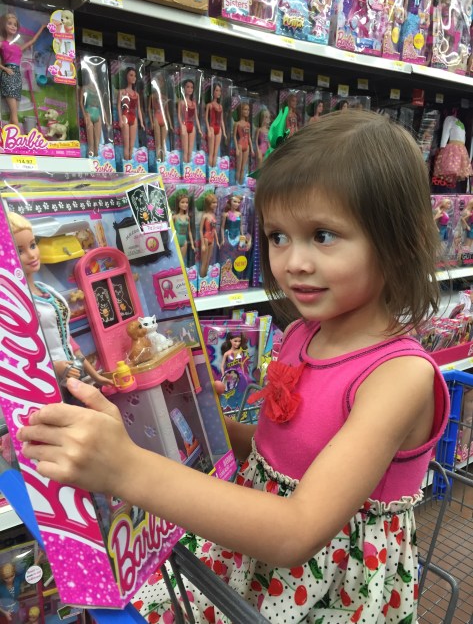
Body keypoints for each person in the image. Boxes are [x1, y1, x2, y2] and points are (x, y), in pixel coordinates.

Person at [19, 111, 449, 623]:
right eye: (278, 236)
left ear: (396, 241)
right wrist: (199, 424)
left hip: (329, 589)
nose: (293, 262)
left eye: (322, 235)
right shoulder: (303, 333)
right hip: (250, 558)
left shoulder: (399, 376)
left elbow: (296, 530)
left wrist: (125, 468)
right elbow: (280, 453)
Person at [7, 212, 112, 388]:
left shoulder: (46, 290)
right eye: (20, 251)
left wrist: (95, 376)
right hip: (46, 384)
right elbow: (17, 356)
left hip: (72, 377)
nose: (32, 255)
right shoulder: (14, 303)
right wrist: (54, 367)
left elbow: (66, 340)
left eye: (32, 245)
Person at [0, 13, 47, 126]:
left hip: (17, 76)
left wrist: (42, 27)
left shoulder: (18, 47)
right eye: (9, 24)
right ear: (4, 26)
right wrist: (5, 69)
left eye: (15, 25)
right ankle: (18, 135)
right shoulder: (2, 43)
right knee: (14, 115)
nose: (13, 26)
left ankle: (9, 134)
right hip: (8, 75)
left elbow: (33, 41)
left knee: (13, 114)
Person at [117, 67, 144, 162]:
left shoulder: (137, 94)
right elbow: (118, 106)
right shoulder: (122, 92)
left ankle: (130, 165)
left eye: (135, 76)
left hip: (134, 118)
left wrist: (141, 122)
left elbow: (138, 109)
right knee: (126, 145)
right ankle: (126, 165)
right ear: (126, 76)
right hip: (125, 116)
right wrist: (120, 119)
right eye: (131, 75)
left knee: (131, 146)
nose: (133, 78)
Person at [148, 73, 173, 163]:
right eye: (158, 80)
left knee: (163, 143)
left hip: (164, 119)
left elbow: (167, 112)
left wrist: (170, 124)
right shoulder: (152, 96)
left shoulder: (165, 97)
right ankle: (159, 161)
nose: (160, 82)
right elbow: (149, 109)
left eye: (161, 81)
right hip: (156, 118)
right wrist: (151, 122)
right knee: (158, 143)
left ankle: (163, 161)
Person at [178, 78, 202, 164]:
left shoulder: (193, 103)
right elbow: (179, 115)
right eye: (187, 87)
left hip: (192, 127)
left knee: (190, 152)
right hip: (184, 126)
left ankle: (189, 169)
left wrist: (199, 129)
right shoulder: (181, 102)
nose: (190, 89)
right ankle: (185, 169)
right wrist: (181, 125)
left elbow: (196, 117)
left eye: (191, 87)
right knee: (185, 151)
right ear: (184, 88)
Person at [205, 82, 227, 168]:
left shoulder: (220, 106)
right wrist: (208, 129)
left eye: (220, 91)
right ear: (213, 91)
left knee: (216, 152)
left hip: (219, 129)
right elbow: (206, 119)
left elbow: (221, 120)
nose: (218, 93)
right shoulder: (209, 105)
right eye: (216, 90)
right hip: (211, 128)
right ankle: (210, 171)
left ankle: (213, 171)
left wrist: (224, 132)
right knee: (211, 152)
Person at [199, 193, 220, 278]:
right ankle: (201, 278)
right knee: (204, 262)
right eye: (213, 202)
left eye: (216, 202)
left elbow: (214, 229)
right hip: (206, 239)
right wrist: (203, 244)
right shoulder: (205, 216)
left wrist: (217, 241)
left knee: (208, 261)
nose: (215, 204)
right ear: (208, 204)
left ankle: (205, 278)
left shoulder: (213, 215)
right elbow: (201, 230)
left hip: (212, 239)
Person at [233, 101, 254, 184]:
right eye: (245, 109)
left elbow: (249, 137)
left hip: (247, 146)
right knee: (238, 168)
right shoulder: (237, 124)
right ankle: (236, 184)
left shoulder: (248, 124)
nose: (247, 111)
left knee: (243, 168)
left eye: (248, 110)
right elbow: (234, 136)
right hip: (240, 145)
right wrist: (237, 149)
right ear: (241, 111)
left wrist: (252, 149)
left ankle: (241, 185)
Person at [173, 193, 194, 260]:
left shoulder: (187, 217)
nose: (185, 204)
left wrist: (192, 244)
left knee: (182, 261)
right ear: (178, 204)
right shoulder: (175, 217)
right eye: (182, 202)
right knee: (176, 261)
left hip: (184, 241)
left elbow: (189, 231)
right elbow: (171, 231)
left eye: (186, 202)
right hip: (176, 240)